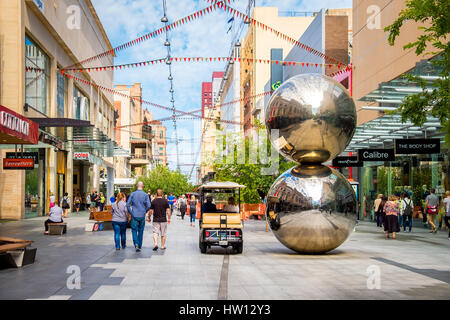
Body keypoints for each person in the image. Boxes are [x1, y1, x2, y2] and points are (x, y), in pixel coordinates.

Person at [127, 181, 151, 252]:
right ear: (142, 186)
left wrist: (131, 212)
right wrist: (145, 211)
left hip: (134, 214)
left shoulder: (133, 194)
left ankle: (136, 244)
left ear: (137, 185)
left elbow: (128, 204)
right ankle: (139, 245)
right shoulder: (145, 195)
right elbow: (149, 205)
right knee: (141, 230)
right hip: (142, 215)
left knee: (134, 230)